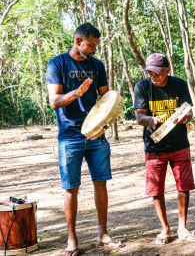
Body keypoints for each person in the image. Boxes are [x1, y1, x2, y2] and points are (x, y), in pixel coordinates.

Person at [46, 23, 123, 256]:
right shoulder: (57, 63)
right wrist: (76, 93)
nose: (93, 50)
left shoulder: (96, 65)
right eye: (90, 45)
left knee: (101, 182)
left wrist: (108, 119)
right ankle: (72, 240)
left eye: (96, 46)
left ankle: (103, 234)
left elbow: (106, 98)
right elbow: (54, 100)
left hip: (96, 134)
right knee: (71, 188)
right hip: (70, 135)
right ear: (77, 41)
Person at [134, 53, 195, 245]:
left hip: (179, 144)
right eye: (149, 72)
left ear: (166, 70)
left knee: (184, 186)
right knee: (156, 189)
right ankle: (165, 228)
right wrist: (151, 120)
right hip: (154, 147)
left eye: (157, 73)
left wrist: (186, 117)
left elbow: (188, 110)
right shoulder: (142, 87)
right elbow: (140, 117)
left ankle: (182, 226)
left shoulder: (179, 84)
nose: (152, 76)